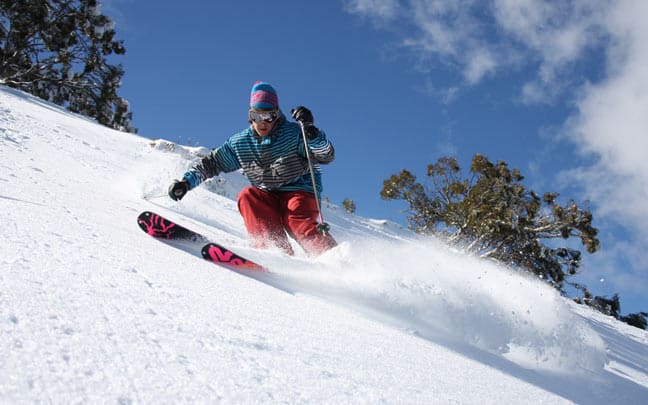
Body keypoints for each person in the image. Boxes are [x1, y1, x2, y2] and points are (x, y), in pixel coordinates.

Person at [168, 81, 337, 256]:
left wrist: (312, 134)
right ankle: (275, 251)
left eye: (269, 117)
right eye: (257, 116)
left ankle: (331, 257)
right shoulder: (241, 143)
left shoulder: (294, 134)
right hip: (267, 195)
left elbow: (326, 156)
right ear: (250, 116)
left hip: (299, 192)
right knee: (248, 196)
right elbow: (212, 163)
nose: (263, 123)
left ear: (277, 115)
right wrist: (186, 183)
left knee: (295, 219)